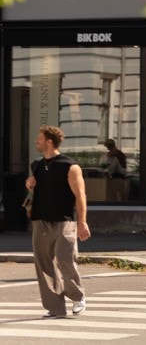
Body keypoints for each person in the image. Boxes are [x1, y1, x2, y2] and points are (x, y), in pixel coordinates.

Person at [27, 125, 90, 320]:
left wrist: (82, 222)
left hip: (65, 221)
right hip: (41, 220)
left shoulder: (70, 166)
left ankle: (78, 297)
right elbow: (38, 190)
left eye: (39, 138)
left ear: (49, 141)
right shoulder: (37, 165)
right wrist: (30, 185)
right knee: (44, 265)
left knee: (65, 260)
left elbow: (80, 195)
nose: (36, 141)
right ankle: (56, 308)